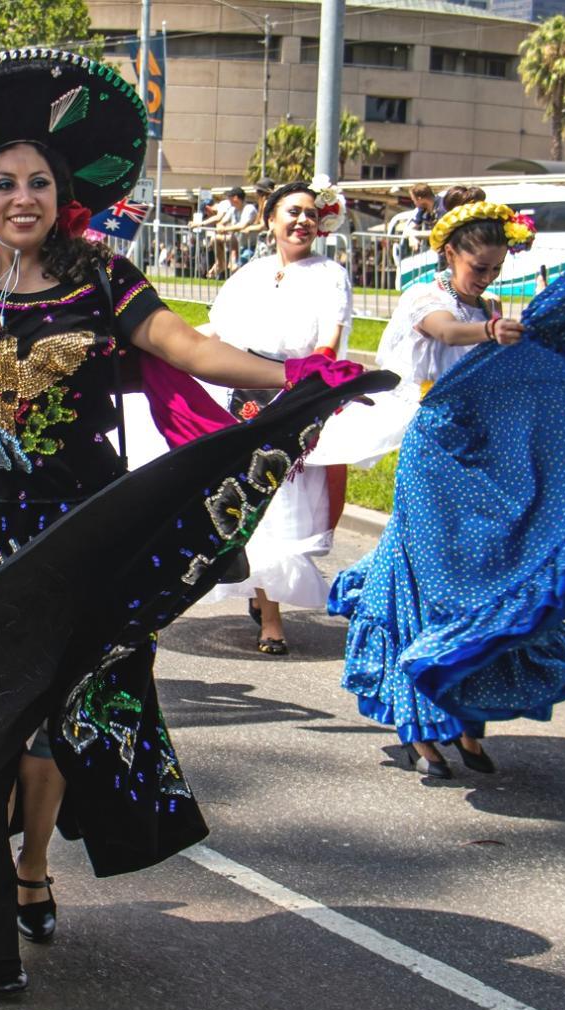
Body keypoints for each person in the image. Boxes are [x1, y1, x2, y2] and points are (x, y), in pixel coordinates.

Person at [0, 50, 381, 998]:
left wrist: (297, 379)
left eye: (38, 179)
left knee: (52, 725)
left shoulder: (104, 280)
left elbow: (191, 347)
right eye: (2, 182)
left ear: (61, 191)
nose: (22, 195)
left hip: (75, 535)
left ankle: (32, 867)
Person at [331, 190, 565, 783]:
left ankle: (464, 723)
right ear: (451, 254)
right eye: (478, 266)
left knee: (489, 575)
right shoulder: (425, 300)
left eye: (495, 268)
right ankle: (421, 729)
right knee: (431, 585)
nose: (487, 275)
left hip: (487, 457)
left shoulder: (490, 308)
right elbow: (443, 332)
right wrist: (487, 330)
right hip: (435, 454)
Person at [195, 178, 352, 655]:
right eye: (292, 211)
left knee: (283, 503)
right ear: (271, 220)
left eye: (310, 212)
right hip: (241, 393)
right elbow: (218, 335)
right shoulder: (249, 273)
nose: (302, 220)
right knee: (250, 497)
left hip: (295, 393)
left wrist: (308, 389)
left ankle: (271, 612)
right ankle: (267, 609)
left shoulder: (330, 274)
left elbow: (329, 339)